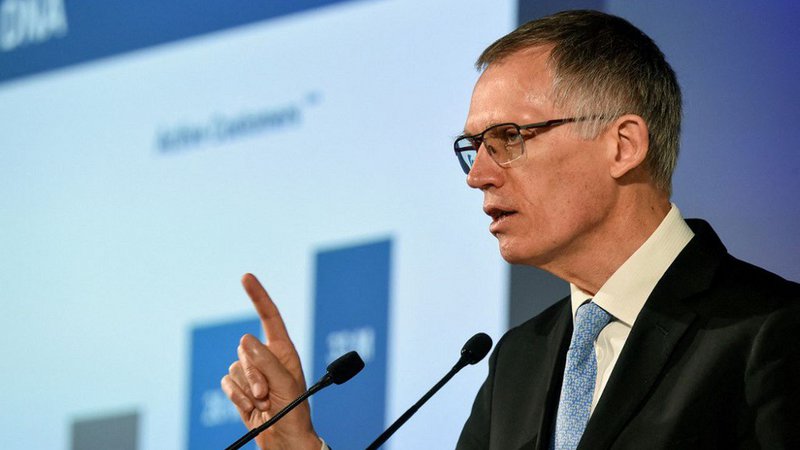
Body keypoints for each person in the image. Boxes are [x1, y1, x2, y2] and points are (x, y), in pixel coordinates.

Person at [221, 10, 800, 449]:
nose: (478, 176)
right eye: (473, 148)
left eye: (508, 139)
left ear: (623, 145)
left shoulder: (771, 331)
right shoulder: (518, 360)